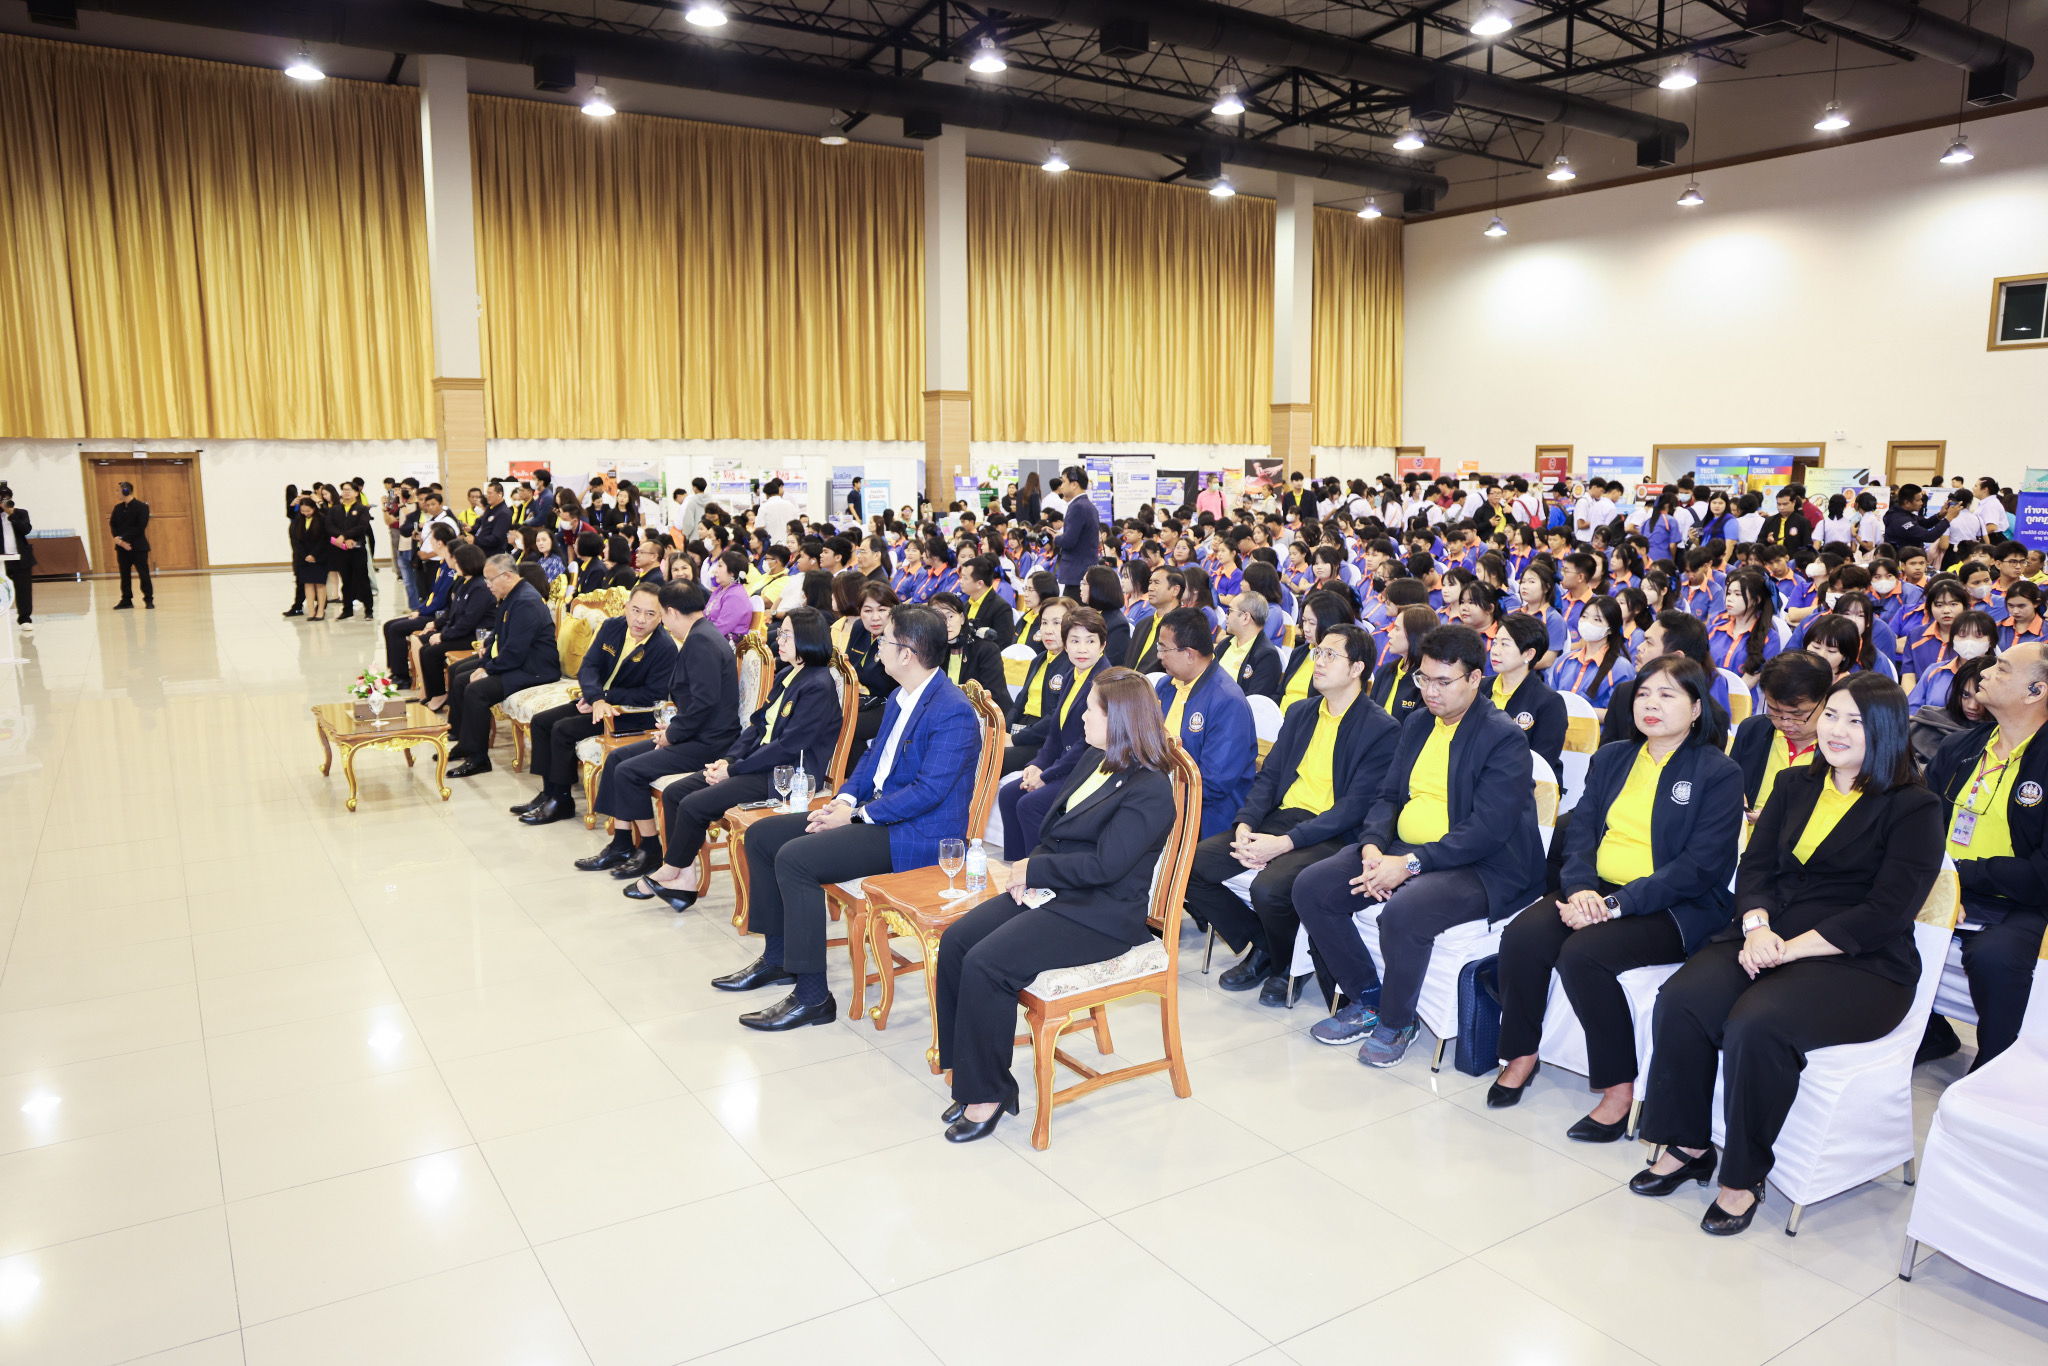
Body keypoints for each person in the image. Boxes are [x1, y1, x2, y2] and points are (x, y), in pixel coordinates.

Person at [1632, 672, 1942, 1235]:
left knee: (1757, 1024)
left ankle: (1742, 1175)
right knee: (1682, 999)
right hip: (1768, 937)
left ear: (1886, 730)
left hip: (1861, 963)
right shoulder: (1795, 782)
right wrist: (1756, 928)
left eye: (1855, 721)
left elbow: (1886, 912)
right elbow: (1755, 868)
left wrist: (1789, 949)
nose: (1836, 731)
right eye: (1831, 716)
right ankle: (1688, 1144)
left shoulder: (1914, 807)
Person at [1491, 656, 1744, 1139]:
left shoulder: (1719, 772)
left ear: (1696, 709)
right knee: (1523, 935)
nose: (1651, 704)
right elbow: (1582, 831)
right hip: (1598, 890)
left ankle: (1617, 1088)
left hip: (1677, 907)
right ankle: (1521, 1052)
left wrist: (1614, 906)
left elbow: (1700, 867)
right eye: (1644, 693)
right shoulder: (1613, 757)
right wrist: (1581, 889)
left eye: (1667, 695)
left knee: (1584, 955)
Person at [933, 669, 1180, 1141]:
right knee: (958, 941)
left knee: (987, 964)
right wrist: (1030, 874)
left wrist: (1035, 871)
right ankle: (968, 1071)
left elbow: (1107, 866)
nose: (1082, 716)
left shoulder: (1149, 789)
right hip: (1058, 891)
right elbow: (1056, 830)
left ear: (1119, 720)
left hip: (1101, 914)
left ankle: (989, 1092)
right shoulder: (1095, 758)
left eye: (1091, 710)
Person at [1293, 625, 1548, 1066]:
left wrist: (1409, 864)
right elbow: (1387, 796)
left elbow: (1486, 830)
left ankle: (1398, 1022)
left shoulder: (1502, 737)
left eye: (1443, 682)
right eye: (1424, 679)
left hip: (1484, 866)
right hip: (1404, 848)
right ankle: (1368, 999)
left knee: (1405, 911)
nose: (1430, 691)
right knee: (1312, 887)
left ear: (1474, 679)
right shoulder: (1417, 724)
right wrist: (1373, 846)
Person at [721, 604, 981, 1031]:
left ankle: (813, 998)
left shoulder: (951, 709)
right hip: (881, 815)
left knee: (796, 859)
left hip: (916, 834)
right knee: (764, 836)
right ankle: (779, 958)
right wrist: (842, 800)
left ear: (907, 653)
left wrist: (857, 816)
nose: (877, 646)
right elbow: (872, 761)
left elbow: (929, 793)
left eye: (884, 640)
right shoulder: (901, 695)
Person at [1185, 626, 1400, 1006]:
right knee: (1191, 865)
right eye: (1319, 652)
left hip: (1332, 834)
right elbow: (1268, 777)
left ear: (1357, 669)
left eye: (1331, 655)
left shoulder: (1381, 728)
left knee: (1268, 889)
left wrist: (1284, 843)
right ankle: (1267, 945)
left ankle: (1285, 966)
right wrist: (1246, 824)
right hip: (1282, 818)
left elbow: (1354, 807)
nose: (1319, 661)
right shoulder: (1301, 712)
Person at [627, 607, 845, 910]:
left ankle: (670, 870)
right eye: (781, 633)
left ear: (808, 639)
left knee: (693, 804)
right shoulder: (788, 674)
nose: (779, 640)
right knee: (676, 793)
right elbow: (757, 726)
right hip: (757, 764)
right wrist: (729, 760)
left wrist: (735, 769)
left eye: (787, 635)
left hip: (786, 775)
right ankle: (684, 879)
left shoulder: (818, 685)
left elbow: (789, 746)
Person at [1922, 642, 2048, 1072]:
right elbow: (1917, 823)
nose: (1986, 673)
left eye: (2002, 669)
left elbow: (2042, 873)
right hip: (1944, 882)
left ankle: (1997, 1067)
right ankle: (1926, 1032)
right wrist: (1938, 878)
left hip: (2022, 902)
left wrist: (1960, 875)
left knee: (1995, 957)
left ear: (2035, 691)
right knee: (1873, 914)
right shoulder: (1961, 746)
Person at [574, 581, 743, 878]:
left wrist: (673, 734)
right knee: (616, 758)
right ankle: (621, 844)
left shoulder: (701, 642)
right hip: (695, 733)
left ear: (672, 612)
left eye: (661, 614)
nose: (662, 622)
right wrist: (674, 726)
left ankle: (650, 849)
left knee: (630, 771)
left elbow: (704, 703)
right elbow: (699, 702)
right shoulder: (701, 635)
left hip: (709, 743)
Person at [512, 583, 681, 827]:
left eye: (650, 613)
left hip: (631, 714)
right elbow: (589, 666)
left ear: (661, 616)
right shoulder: (612, 627)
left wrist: (605, 697)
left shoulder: (664, 647)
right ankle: (549, 793)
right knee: (541, 722)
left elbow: (651, 694)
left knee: (563, 729)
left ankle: (562, 800)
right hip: (598, 702)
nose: (640, 619)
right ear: (626, 607)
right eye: (636, 610)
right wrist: (596, 698)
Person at [998, 607, 1110, 855]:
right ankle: (1016, 866)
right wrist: (1038, 764)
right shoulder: (1072, 675)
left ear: (1102, 645)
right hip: (1065, 765)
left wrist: (1047, 775)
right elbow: (1055, 732)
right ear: (1066, 645)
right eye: (1075, 641)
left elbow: (1086, 745)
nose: (1082, 649)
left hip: (1088, 770)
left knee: (1030, 804)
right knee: (1008, 795)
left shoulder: (1105, 682)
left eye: (1090, 641)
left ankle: (1037, 870)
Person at [445, 555, 562, 776]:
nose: (487, 585)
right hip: (519, 663)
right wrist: (483, 664)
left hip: (535, 669)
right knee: (459, 676)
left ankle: (478, 759)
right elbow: (496, 639)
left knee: (476, 690)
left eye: (490, 580)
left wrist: (487, 669)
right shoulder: (511, 596)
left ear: (507, 576)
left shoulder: (526, 601)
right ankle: (465, 744)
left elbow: (515, 652)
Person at [1149, 606, 1257, 842]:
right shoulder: (1166, 686)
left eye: (1163, 648)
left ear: (1189, 654)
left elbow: (1214, 784)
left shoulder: (1227, 701)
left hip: (1206, 814)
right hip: (1164, 795)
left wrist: (1153, 797)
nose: (1159, 655)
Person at [1730, 651, 1833, 821]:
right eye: (1775, 711)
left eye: (1797, 714)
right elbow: (1730, 782)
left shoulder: (1838, 748)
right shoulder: (1752, 730)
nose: (1785, 723)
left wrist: (1775, 820)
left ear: (1826, 700)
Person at [1489, 612, 1567, 781]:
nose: (1494, 651)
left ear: (1529, 654)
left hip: (1524, 784)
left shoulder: (1549, 702)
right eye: (1495, 643)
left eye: (1505, 644)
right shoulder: (1480, 688)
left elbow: (1541, 763)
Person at [930, 592, 1010, 709]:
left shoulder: (987, 649)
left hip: (984, 713)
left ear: (962, 618)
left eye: (950, 616)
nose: (946, 624)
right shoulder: (934, 651)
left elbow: (993, 695)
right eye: (939, 618)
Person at [1370, 603, 1437, 727]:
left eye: (1396, 628)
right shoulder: (1384, 671)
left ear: (1415, 635)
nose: (1390, 634)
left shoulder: (1427, 680)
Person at [1215, 592, 1283, 702]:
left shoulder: (1267, 656)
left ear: (1245, 618)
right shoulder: (1225, 644)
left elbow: (1254, 701)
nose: (1227, 616)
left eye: (1230, 611)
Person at [326, 482, 374, 618]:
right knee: (346, 580)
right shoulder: (335, 509)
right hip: (341, 550)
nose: (346, 492)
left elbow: (362, 526)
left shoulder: (362, 509)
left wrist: (345, 536)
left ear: (356, 493)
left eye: (349, 490)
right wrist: (342, 538)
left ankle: (368, 610)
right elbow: (329, 526)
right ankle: (347, 609)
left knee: (362, 579)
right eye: (344, 490)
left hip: (357, 549)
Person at [1054, 464, 1100, 599]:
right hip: (1084, 571)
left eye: (1063, 481)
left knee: (1072, 610)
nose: (1061, 486)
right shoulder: (1089, 506)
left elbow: (1069, 541)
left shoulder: (1077, 507)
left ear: (1074, 484)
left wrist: (1057, 537)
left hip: (1076, 573)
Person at [109, 481, 154, 610]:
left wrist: (122, 538)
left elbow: (140, 527)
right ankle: (126, 600)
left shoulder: (142, 507)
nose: (116, 493)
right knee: (124, 574)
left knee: (143, 574)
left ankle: (148, 599)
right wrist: (120, 541)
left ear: (126, 491)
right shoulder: (117, 508)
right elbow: (113, 525)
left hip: (138, 547)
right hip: (122, 547)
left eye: (118, 491)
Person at [287, 493, 332, 620]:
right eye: (302, 511)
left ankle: (320, 610)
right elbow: (296, 541)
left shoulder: (322, 519)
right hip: (303, 558)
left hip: (319, 557)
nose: (305, 513)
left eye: (308, 510)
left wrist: (314, 555)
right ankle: (311, 611)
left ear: (314, 508)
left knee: (320, 584)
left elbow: (324, 540)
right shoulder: (298, 520)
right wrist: (305, 555)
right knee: (308, 584)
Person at [703, 548, 755, 640]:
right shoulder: (720, 589)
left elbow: (721, 628)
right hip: (713, 635)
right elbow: (705, 615)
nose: (716, 570)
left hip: (727, 641)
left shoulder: (736, 595)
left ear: (732, 572)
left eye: (720, 566)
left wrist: (698, 633)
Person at [0, 486, 31, 634]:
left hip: (20, 558)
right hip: (2, 561)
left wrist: (11, 515)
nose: (4, 501)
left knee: (24, 590)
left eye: (7, 498)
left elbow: (26, 530)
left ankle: (25, 619)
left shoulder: (21, 513)